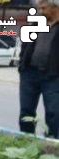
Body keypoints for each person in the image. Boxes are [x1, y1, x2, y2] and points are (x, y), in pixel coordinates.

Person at [18, 0, 59, 138]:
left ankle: (52, 145)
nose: (40, 11)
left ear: (55, 7)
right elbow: (26, 44)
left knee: (54, 113)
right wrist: (22, 63)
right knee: (26, 112)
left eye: (43, 8)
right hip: (29, 73)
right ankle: (26, 141)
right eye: (39, 8)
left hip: (53, 76)